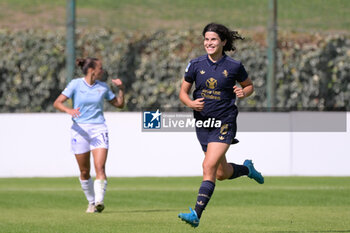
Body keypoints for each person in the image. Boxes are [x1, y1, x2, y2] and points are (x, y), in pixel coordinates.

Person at [178, 23, 264, 227]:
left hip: (224, 122)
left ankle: (196, 214)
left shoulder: (234, 66)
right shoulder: (195, 64)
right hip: (203, 123)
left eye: (213, 39)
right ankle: (246, 169)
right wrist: (190, 102)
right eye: (206, 39)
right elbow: (183, 92)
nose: (209, 43)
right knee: (220, 173)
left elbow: (249, 85)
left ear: (223, 42)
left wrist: (245, 92)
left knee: (208, 166)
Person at [53, 57, 124, 213]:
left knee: (100, 167)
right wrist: (69, 110)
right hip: (79, 130)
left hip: (99, 128)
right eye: (100, 68)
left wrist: (121, 89)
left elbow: (119, 104)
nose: (102, 71)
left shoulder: (103, 87)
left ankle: (99, 200)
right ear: (92, 70)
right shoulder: (75, 85)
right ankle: (91, 202)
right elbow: (58, 102)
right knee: (84, 171)